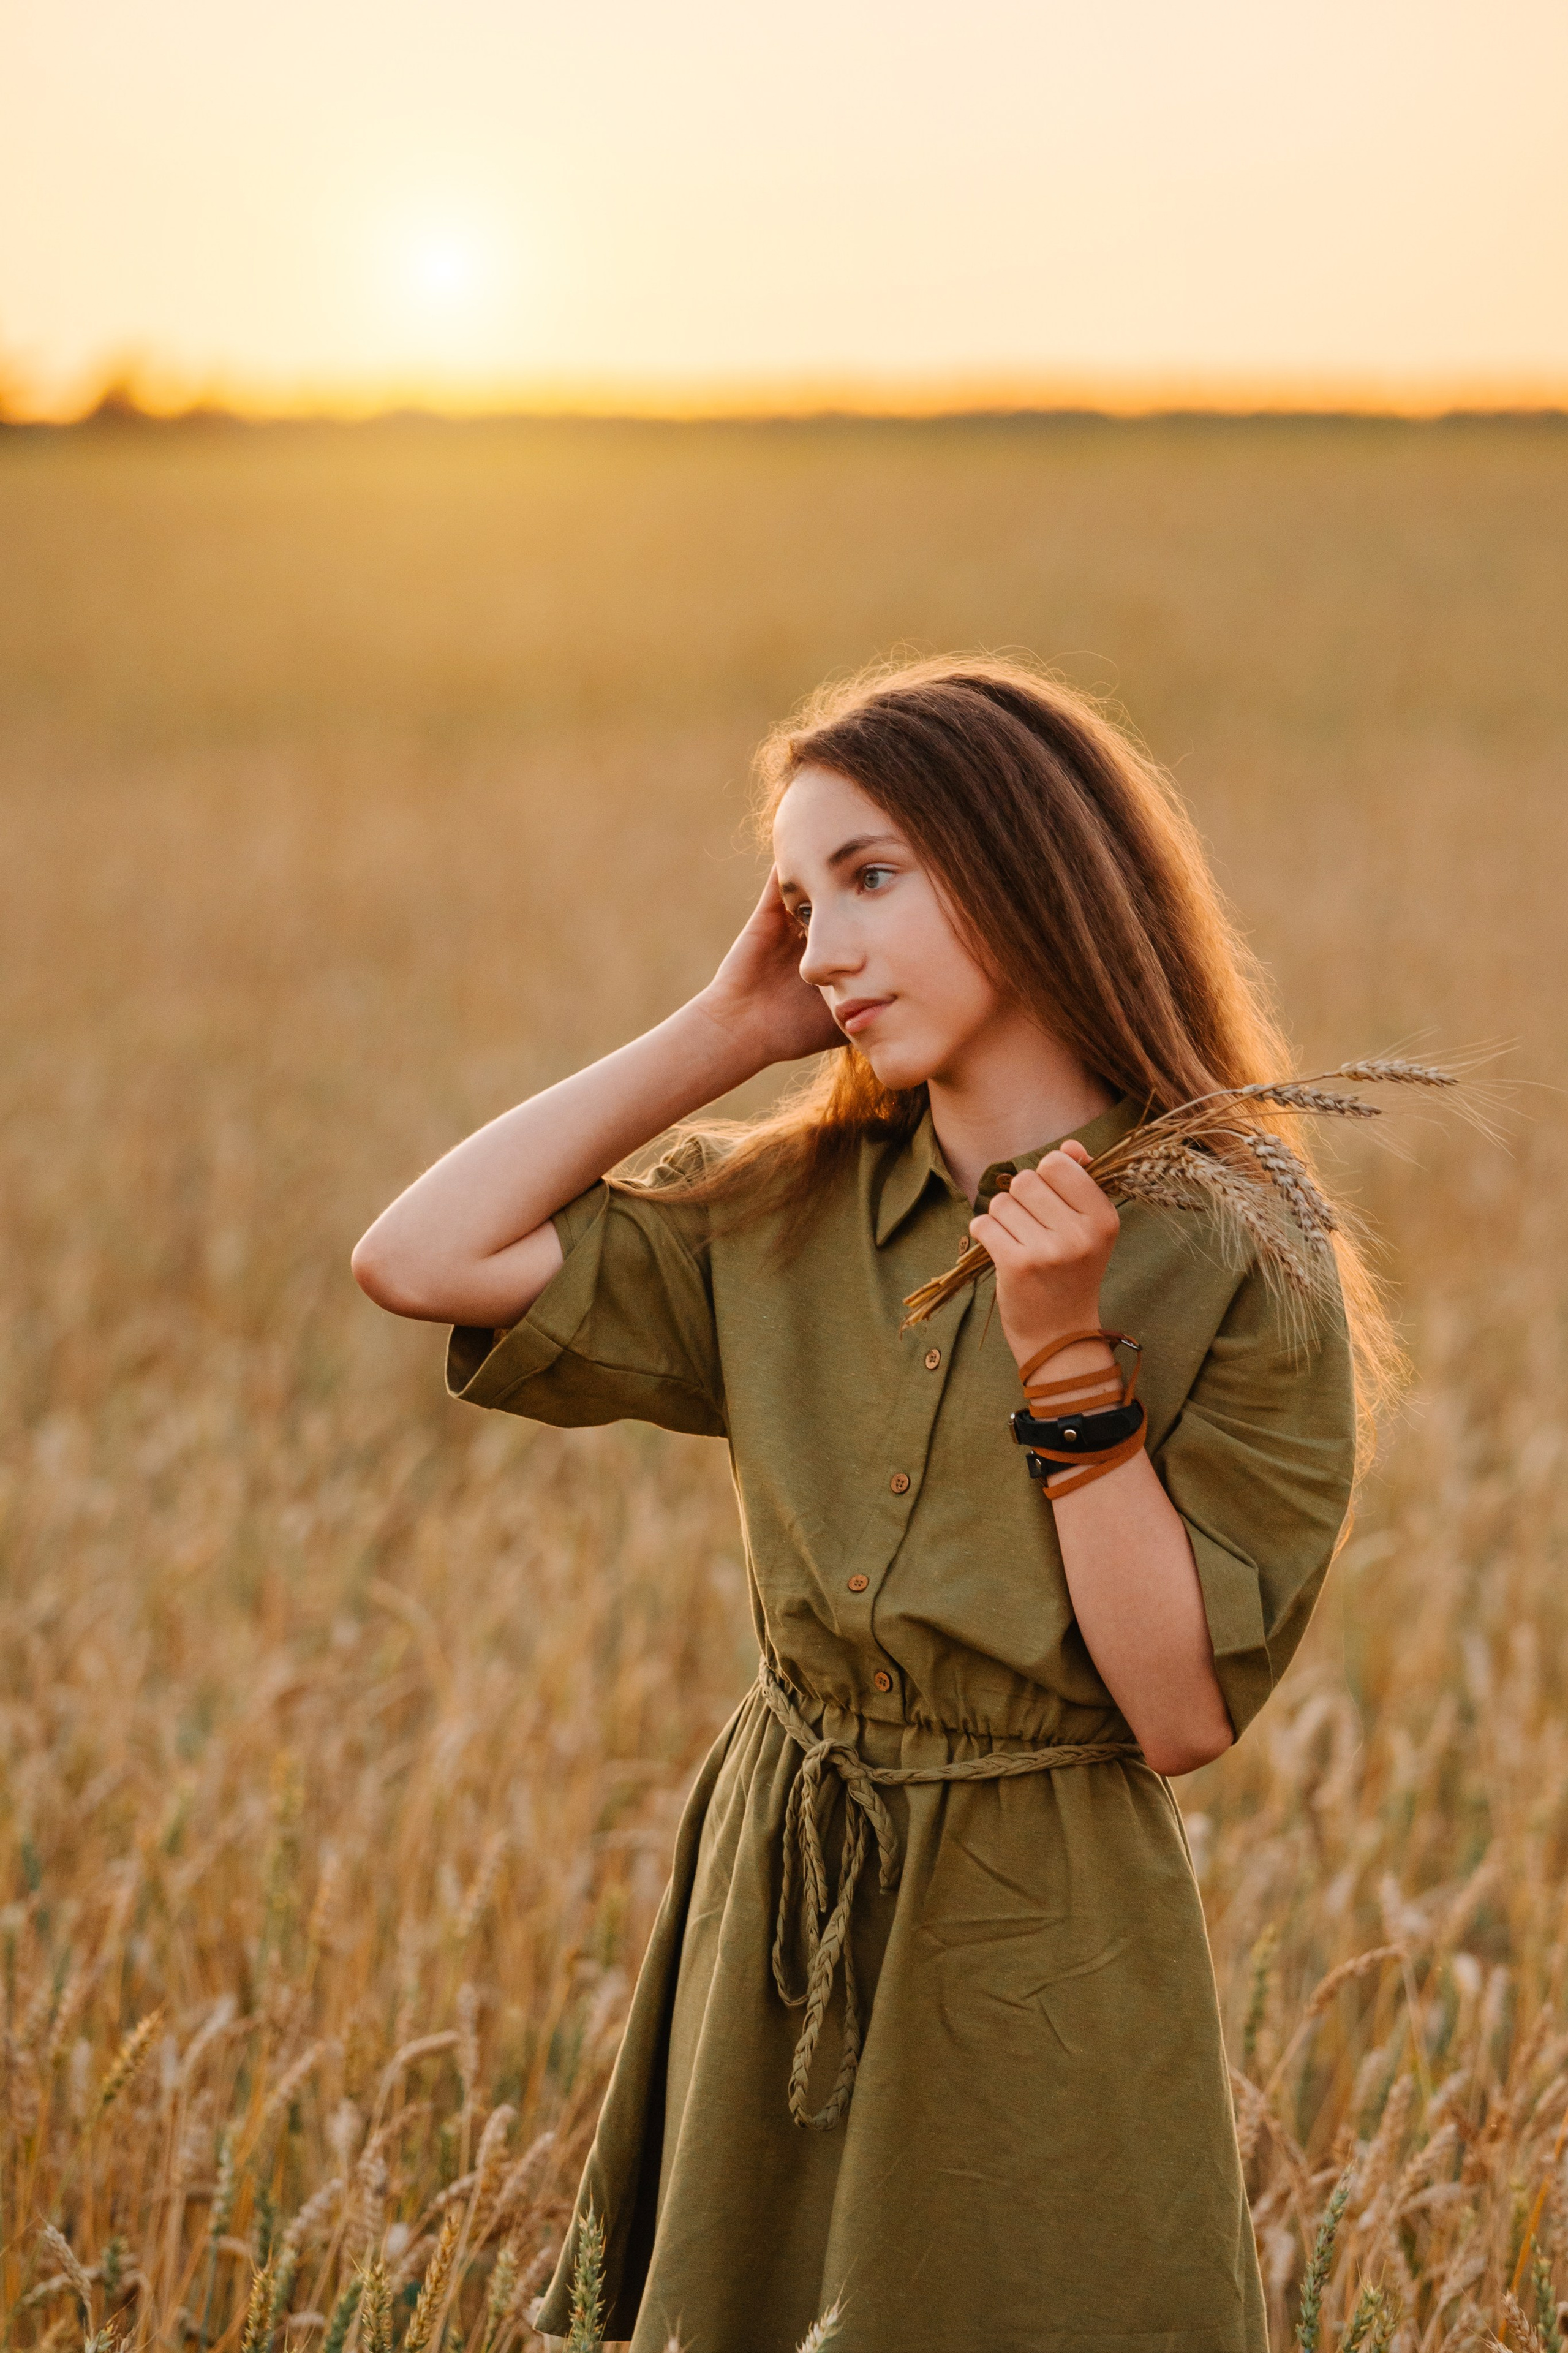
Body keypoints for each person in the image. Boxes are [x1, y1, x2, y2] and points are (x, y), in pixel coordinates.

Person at [352, 656, 1374, 2353]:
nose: (822, 941)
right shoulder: (785, 1207)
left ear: (1035, 873)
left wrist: (1068, 1366)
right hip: (775, 1880)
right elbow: (419, 1257)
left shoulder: (1239, 1241)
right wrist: (728, 1030)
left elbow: (1180, 1710)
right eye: (796, 899)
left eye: (872, 878)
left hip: (1035, 1927)